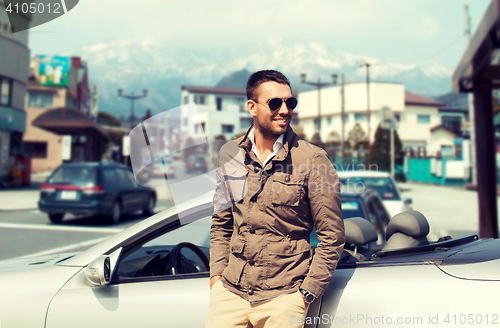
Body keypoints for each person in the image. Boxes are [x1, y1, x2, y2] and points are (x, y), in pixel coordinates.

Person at [206, 70, 345, 328]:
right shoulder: (230, 154)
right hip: (230, 294)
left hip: (284, 297)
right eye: (274, 103)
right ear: (252, 107)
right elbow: (221, 224)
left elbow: (332, 236)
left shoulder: (313, 160)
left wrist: (305, 294)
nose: (284, 110)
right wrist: (216, 278)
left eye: (290, 102)